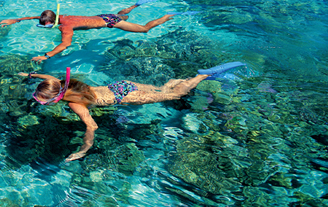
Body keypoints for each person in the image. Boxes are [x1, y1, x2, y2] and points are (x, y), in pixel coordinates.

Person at [19, 62, 245, 161]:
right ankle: (178, 80)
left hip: (124, 96)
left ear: (56, 98)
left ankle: (202, 75)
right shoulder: (59, 82)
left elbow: (92, 126)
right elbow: (45, 78)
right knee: (161, 90)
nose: (42, 103)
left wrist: (84, 149)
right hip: (121, 86)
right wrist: (29, 76)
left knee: (174, 96)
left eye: (43, 101)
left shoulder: (74, 104)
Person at [0, 3, 175, 62]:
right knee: (123, 15)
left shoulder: (65, 27)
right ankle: (134, 6)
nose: (45, 27)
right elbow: (34, 16)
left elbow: (65, 44)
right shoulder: (60, 16)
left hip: (109, 22)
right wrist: (15, 20)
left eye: (46, 26)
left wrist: (46, 56)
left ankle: (166, 16)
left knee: (144, 30)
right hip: (102, 16)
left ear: (52, 22)